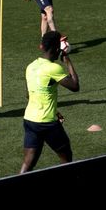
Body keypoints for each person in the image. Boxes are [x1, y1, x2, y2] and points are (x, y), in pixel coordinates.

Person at [20, 30, 80, 172]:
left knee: (28, 162)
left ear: (42, 46)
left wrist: (55, 110)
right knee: (66, 157)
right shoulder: (54, 68)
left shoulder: (31, 66)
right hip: (47, 123)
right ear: (57, 49)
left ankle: (16, 188)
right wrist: (68, 61)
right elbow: (75, 86)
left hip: (29, 120)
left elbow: (29, 95)